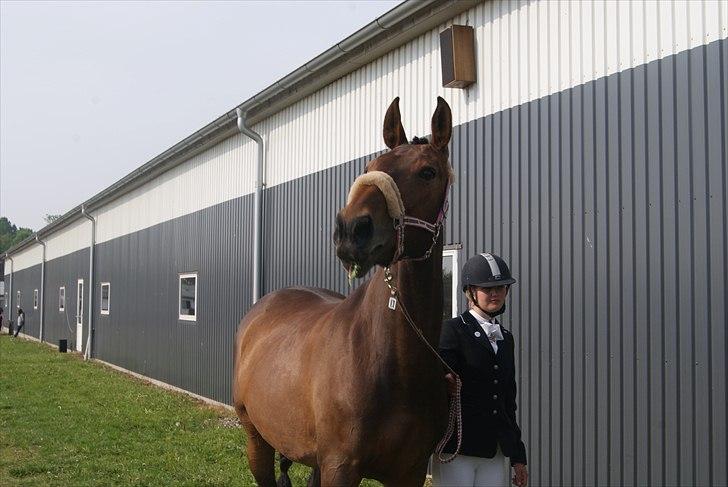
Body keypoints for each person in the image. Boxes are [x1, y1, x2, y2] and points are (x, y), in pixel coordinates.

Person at [433, 252, 528, 487]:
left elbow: (507, 400)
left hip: (494, 450)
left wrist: (518, 456)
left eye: (500, 287)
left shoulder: (506, 338)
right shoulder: (452, 331)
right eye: (487, 288)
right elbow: (437, 386)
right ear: (471, 292)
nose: (495, 293)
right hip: (459, 448)